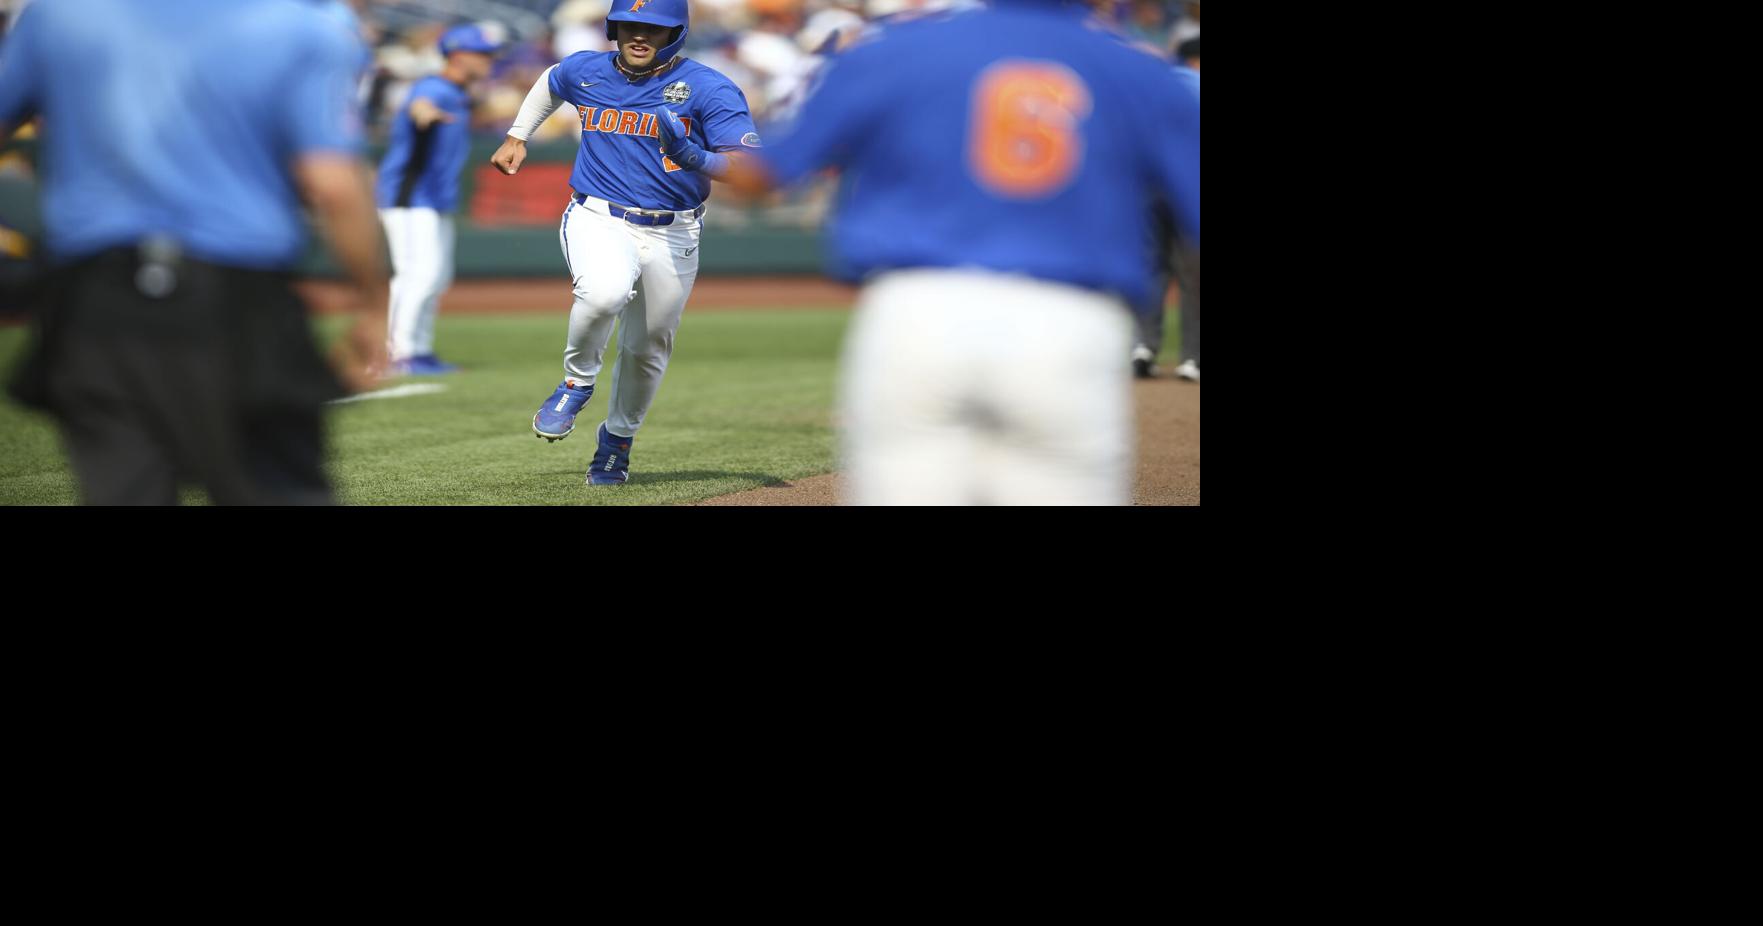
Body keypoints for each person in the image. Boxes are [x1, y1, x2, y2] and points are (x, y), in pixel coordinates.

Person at [728, 0, 1199, 505]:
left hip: (920, 312)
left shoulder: (899, 49)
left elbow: (764, 174)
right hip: (1067, 319)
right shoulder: (1137, 69)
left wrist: (696, 152)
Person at [0, 0, 389, 505]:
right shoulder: (303, 28)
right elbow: (333, 185)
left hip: (92, 300)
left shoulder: (60, 15)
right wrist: (372, 302)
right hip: (235, 298)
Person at [489, 0, 760, 486]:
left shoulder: (709, 87)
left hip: (674, 229)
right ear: (614, 27)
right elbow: (552, 80)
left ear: (676, 33)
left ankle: (616, 443)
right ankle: (576, 383)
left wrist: (690, 154)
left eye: (654, 29)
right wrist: (517, 134)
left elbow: (748, 169)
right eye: (630, 26)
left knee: (648, 346)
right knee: (603, 293)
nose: (640, 36)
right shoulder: (586, 69)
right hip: (598, 215)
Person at [377, 21, 505, 376]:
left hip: (433, 197)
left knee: (434, 276)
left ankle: (418, 350)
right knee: (417, 274)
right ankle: (397, 353)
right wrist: (424, 113)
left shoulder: (460, 93)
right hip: (409, 195)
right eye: (482, 54)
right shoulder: (435, 86)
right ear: (459, 55)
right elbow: (421, 103)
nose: (489, 61)